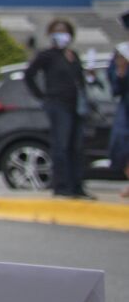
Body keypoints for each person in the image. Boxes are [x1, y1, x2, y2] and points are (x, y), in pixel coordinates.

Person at [26, 17, 92, 199]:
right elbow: (29, 75)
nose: (62, 35)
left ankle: (77, 186)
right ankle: (61, 186)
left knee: (76, 147)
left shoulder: (73, 55)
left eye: (65, 32)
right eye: (58, 31)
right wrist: (43, 97)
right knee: (61, 146)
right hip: (58, 104)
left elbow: (79, 80)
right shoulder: (47, 55)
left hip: (75, 106)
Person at [108, 11, 129, 199]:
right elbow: (115, 89)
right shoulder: (122, 52)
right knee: (122, 143)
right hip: (127, 106)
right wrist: (121, 72)